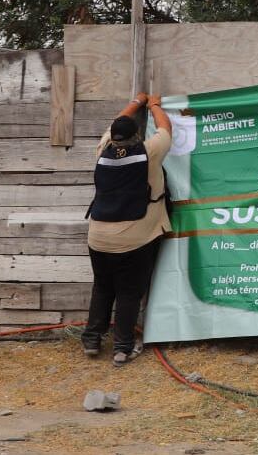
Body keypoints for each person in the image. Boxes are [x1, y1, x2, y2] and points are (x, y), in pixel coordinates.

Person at [83, 92, 172, 365]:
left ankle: (91, 340)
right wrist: (153, 104)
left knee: (102, 287)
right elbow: (165, 129)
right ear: (137, 135)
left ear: (113, 137)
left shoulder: (103, 150)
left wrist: (136, 102)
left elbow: (117, 123)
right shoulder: (149, 152)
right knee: (128, 292)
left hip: (98, 237)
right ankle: (122, 348)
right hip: (134, 239)